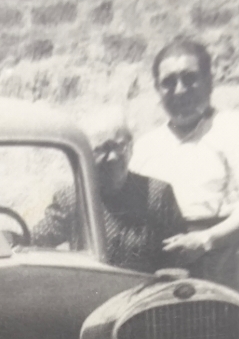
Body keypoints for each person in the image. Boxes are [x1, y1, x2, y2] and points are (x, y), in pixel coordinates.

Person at [130, 38, 239, 308]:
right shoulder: (145, 147)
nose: (180, 90)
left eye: (190, 79)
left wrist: (206, 240)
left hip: (224, 259)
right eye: (169, 82)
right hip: (162, 269)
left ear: (210, 81)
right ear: (157, 89)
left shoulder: (238, 130)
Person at [34, 107, 185, 274]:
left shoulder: (157, 194)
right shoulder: (71, 200)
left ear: (131, 148)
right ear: (86, 155)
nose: (112, 157)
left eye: (119, 146)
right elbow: (35, 240)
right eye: (102, 149)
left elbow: (178, 258)